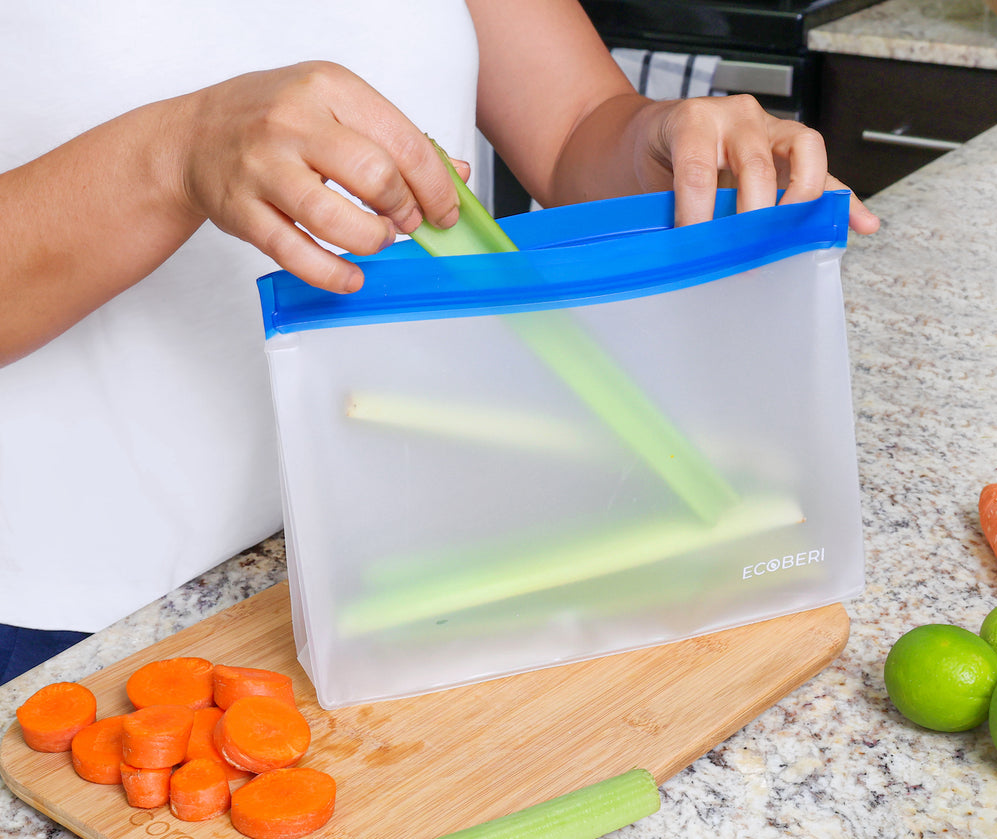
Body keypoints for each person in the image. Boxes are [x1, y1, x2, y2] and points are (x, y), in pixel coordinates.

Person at [0, 0, 879, 684]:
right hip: (84, 622)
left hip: (422, 559)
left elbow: (575, 125)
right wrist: (173, 152)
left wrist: (661, 139)